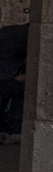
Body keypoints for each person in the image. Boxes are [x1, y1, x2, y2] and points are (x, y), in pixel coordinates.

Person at [0, 14, 26, 142]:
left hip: (5, 77)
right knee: (26, 91)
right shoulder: (28, 38)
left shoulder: (9, 30)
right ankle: (13, 130)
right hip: (4, 79)